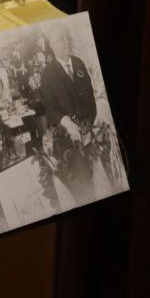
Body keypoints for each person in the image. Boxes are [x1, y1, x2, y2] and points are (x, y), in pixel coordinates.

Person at [39, 26, 97, 203]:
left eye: (66, 38)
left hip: (90, 133)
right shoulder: (48, 73)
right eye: (60, 40)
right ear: (52, 45)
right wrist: (67, 123)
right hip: (67, 139)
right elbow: (50, 110)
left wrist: (89, 124)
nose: (65, 42)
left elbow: (91, 99)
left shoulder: (79, 63)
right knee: (82, 185)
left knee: (97, 178)